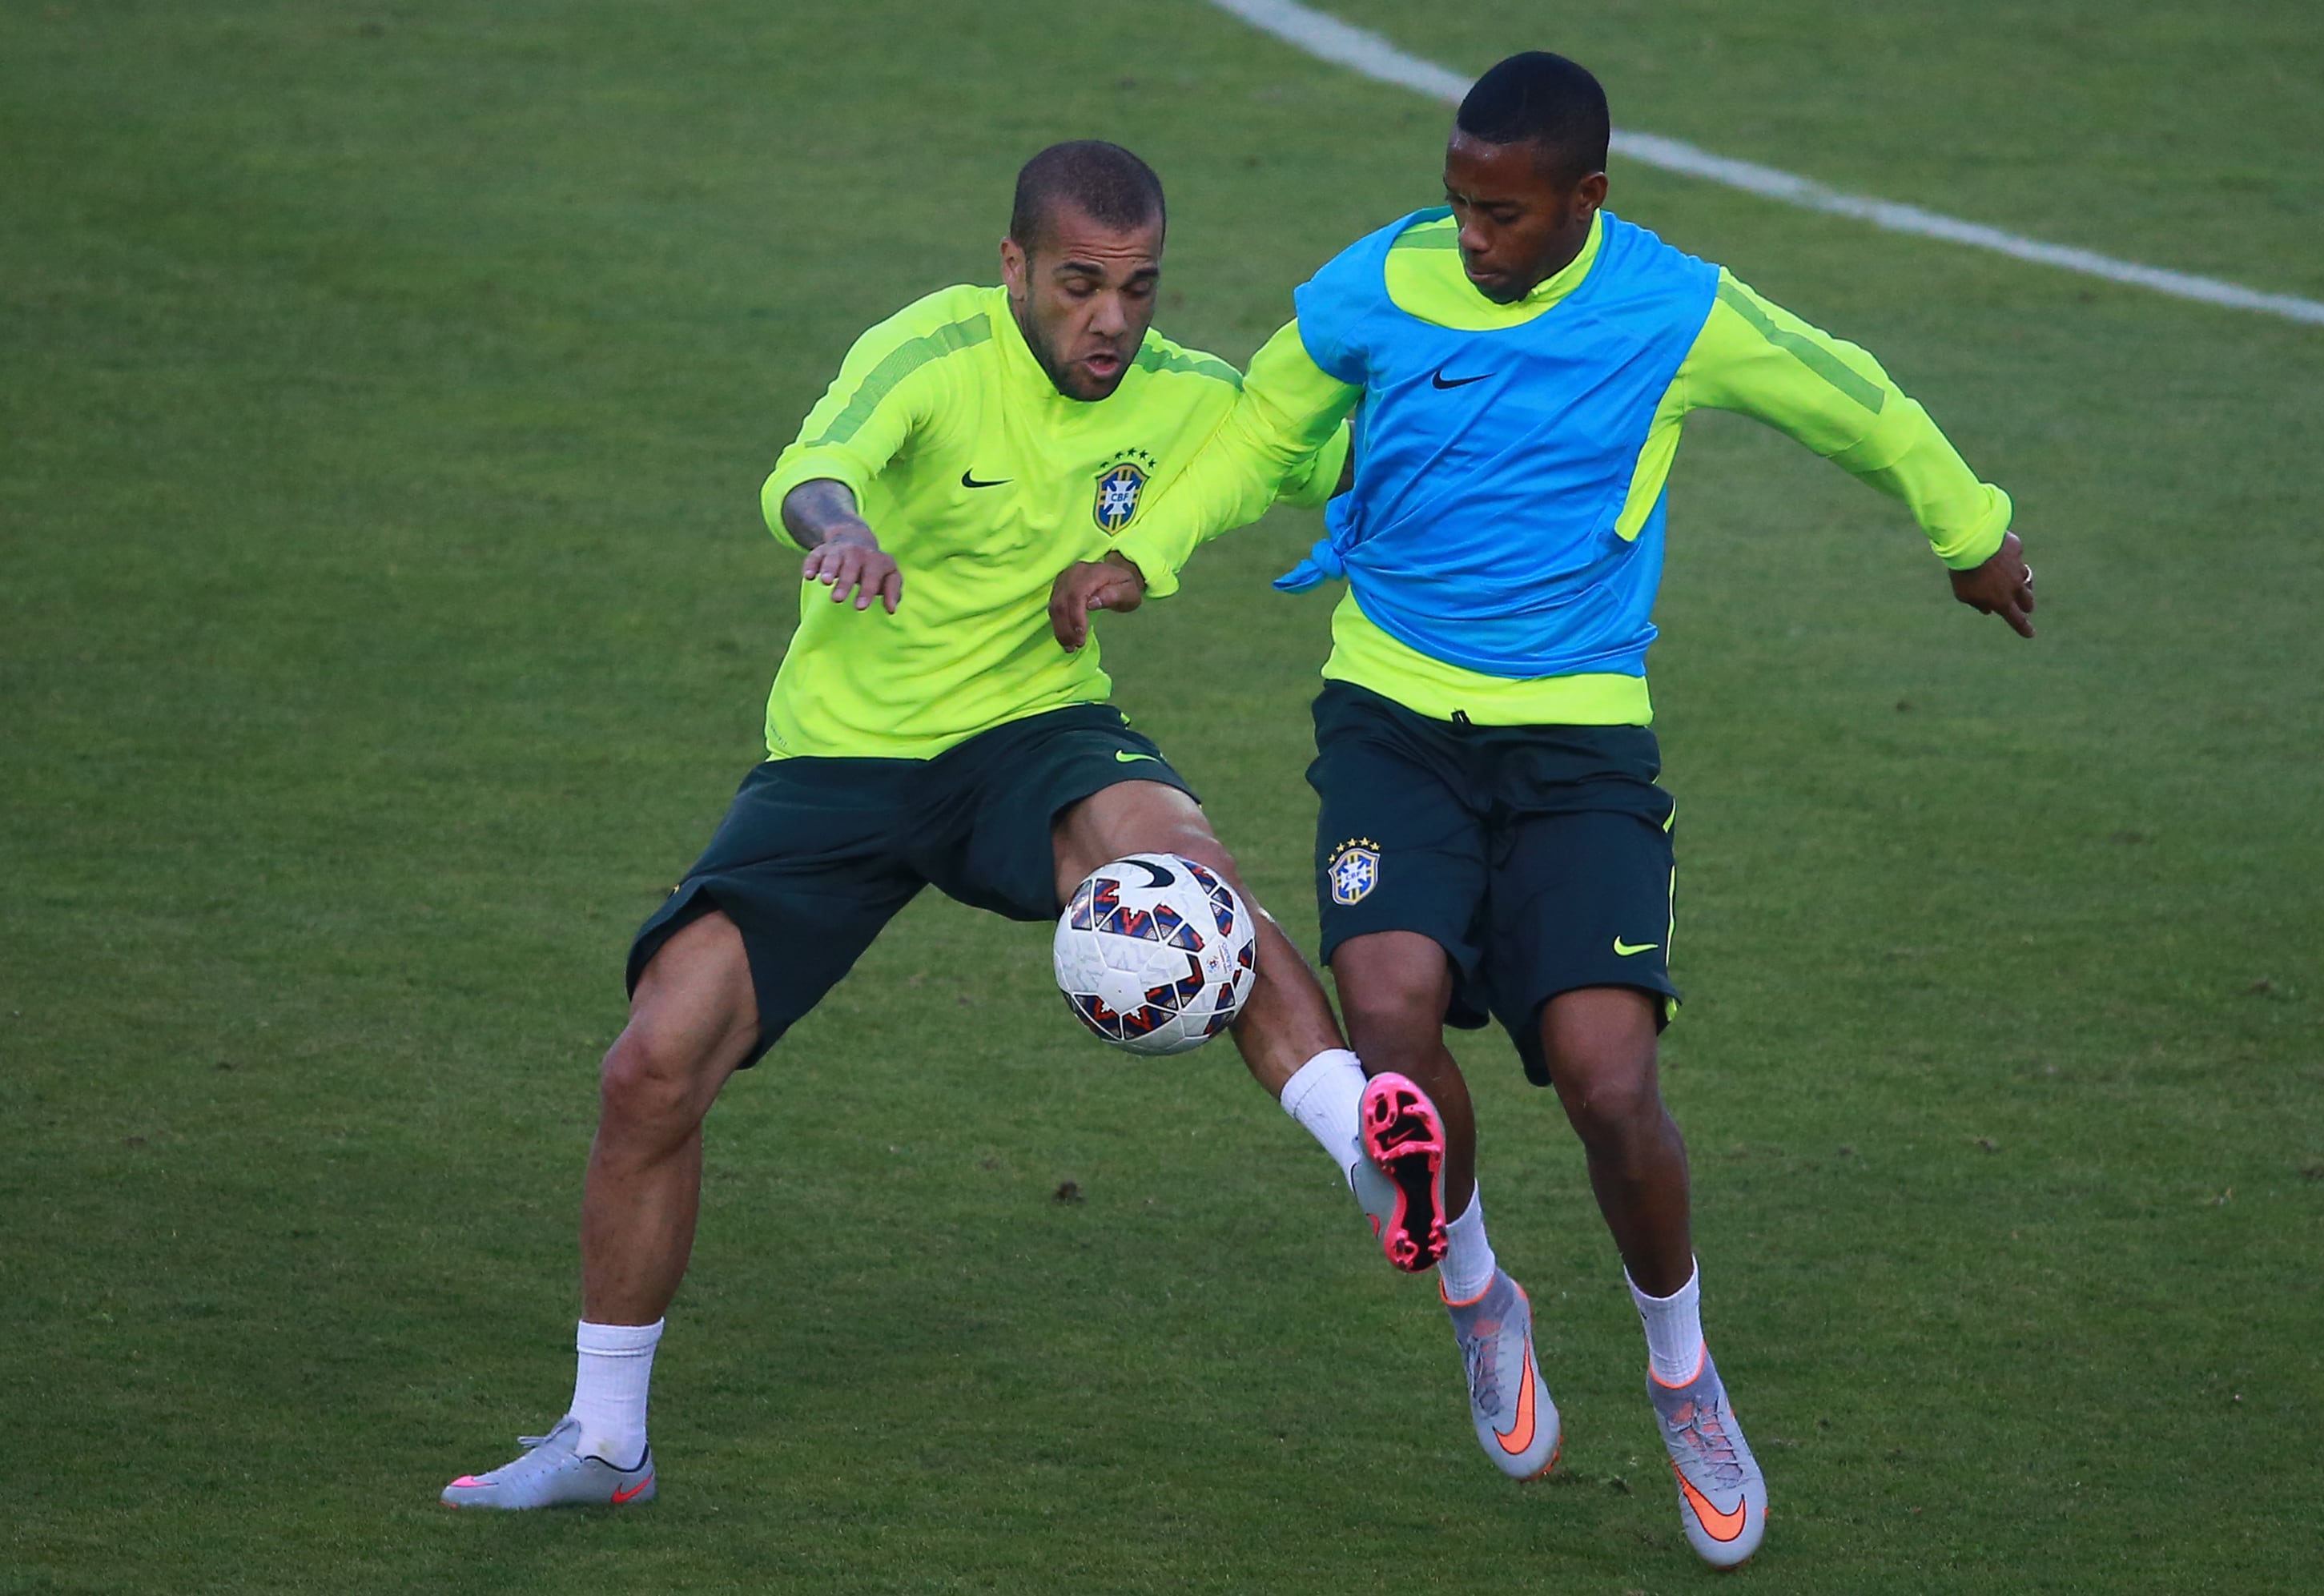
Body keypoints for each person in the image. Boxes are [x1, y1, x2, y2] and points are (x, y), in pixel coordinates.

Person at [1050, 55, 2036, 1570]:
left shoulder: (1673, 306)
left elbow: (1853, 397)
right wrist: (1149, 556)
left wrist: (1973, 532)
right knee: (1388, 1007)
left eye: (1505, 215)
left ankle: (1682, 1372)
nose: (1474, 237)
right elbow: (1255, 432)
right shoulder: (1380, 282)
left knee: (1606, 1077)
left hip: (1578, 737)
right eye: (1458, 204)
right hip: (1390, 716)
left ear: (1587, 199)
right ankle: (1479, 1295)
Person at [441, 141, 1446, 1510]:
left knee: (1188, 871)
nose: (1111, 320)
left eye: (1138, 289)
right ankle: (606, 1441)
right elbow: (814, 466)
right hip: (844, 763)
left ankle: (1372, 1161)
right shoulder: (930, 351)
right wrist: (840, 529)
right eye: (1081, 285)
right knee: (651, 1067)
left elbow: (1329, 456)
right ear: (1016, 266)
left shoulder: (1184, 397)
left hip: (1032, 736)